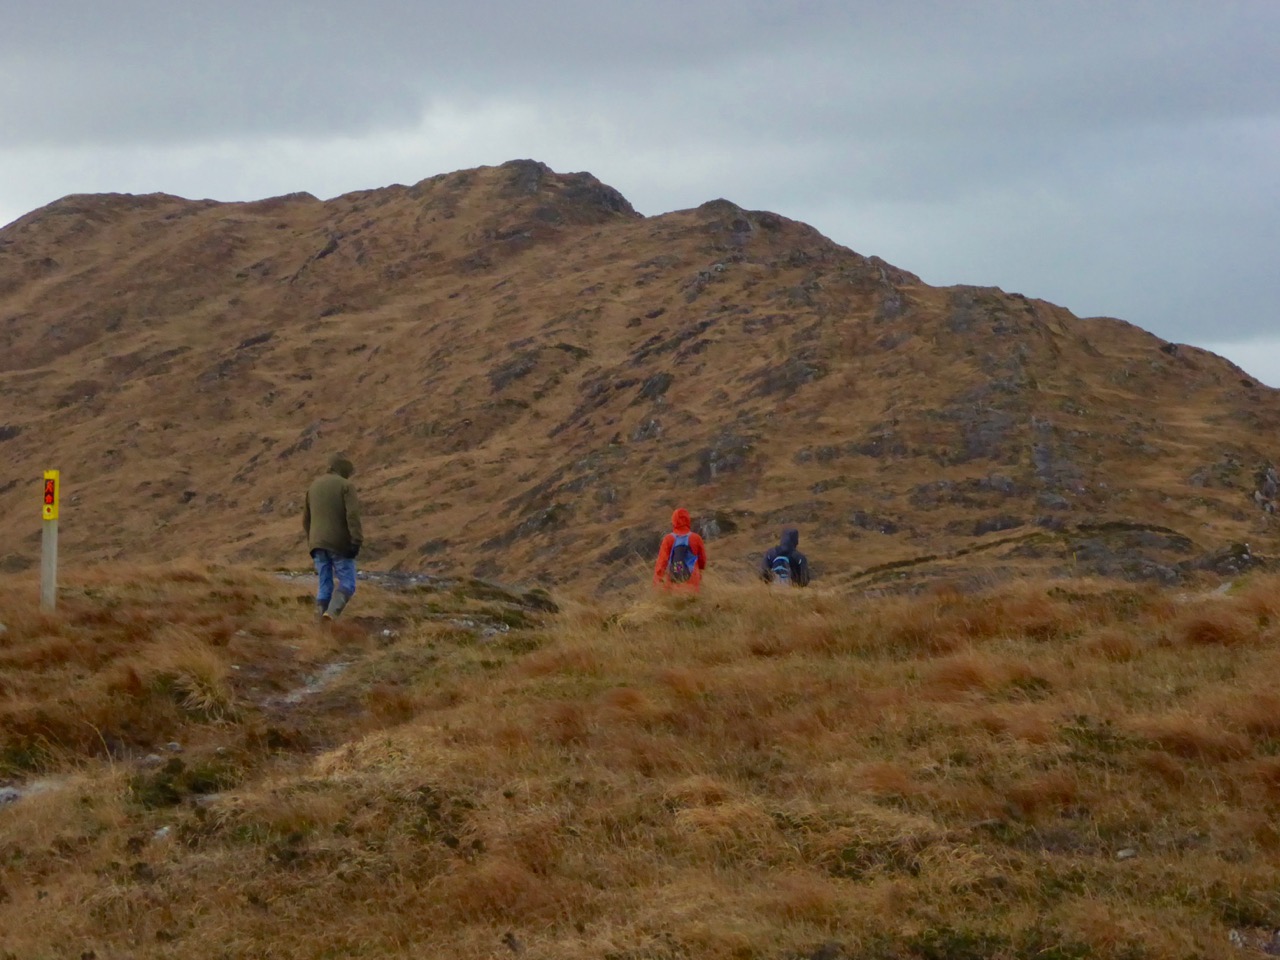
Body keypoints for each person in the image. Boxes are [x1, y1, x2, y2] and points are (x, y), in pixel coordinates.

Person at [303, 453, 363, 620]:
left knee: (324, 586)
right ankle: (331, 615)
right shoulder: (346, 486)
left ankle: (318, 622)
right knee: (348, 584)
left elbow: (306, 519)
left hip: (317, 544)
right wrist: (356, 541)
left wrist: (311, 541)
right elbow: (352, 515)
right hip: (339, 544)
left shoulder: (313, 486)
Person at [653, 507, 708, 591]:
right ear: (688, 520)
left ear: (673, 521)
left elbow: (662, 562)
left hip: (674, 584)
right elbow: (702, 561)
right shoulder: (696, 538)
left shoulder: (668, 539)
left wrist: (657, 579)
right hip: (693, 582)